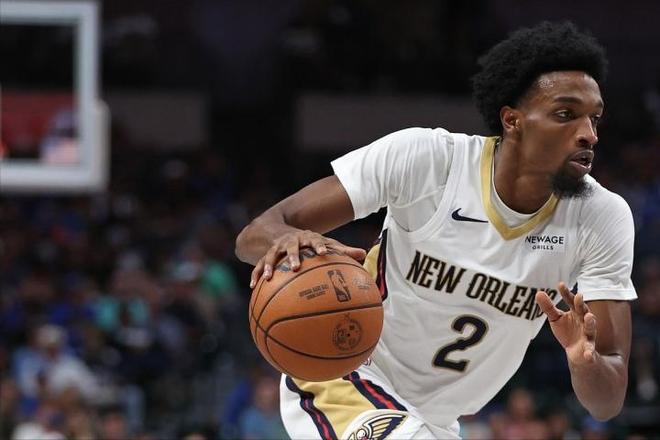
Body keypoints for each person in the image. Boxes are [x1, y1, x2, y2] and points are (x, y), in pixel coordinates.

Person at [235, 21, 636, 439]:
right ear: (512, 120)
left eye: (595, 119)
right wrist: (288, 240)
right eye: (566, 115)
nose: (588, 134)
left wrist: (584, 361)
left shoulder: (601, 217)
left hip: (437, 421)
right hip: (345, 377)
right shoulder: (428, 162)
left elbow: (607, 402)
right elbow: (252, 236)